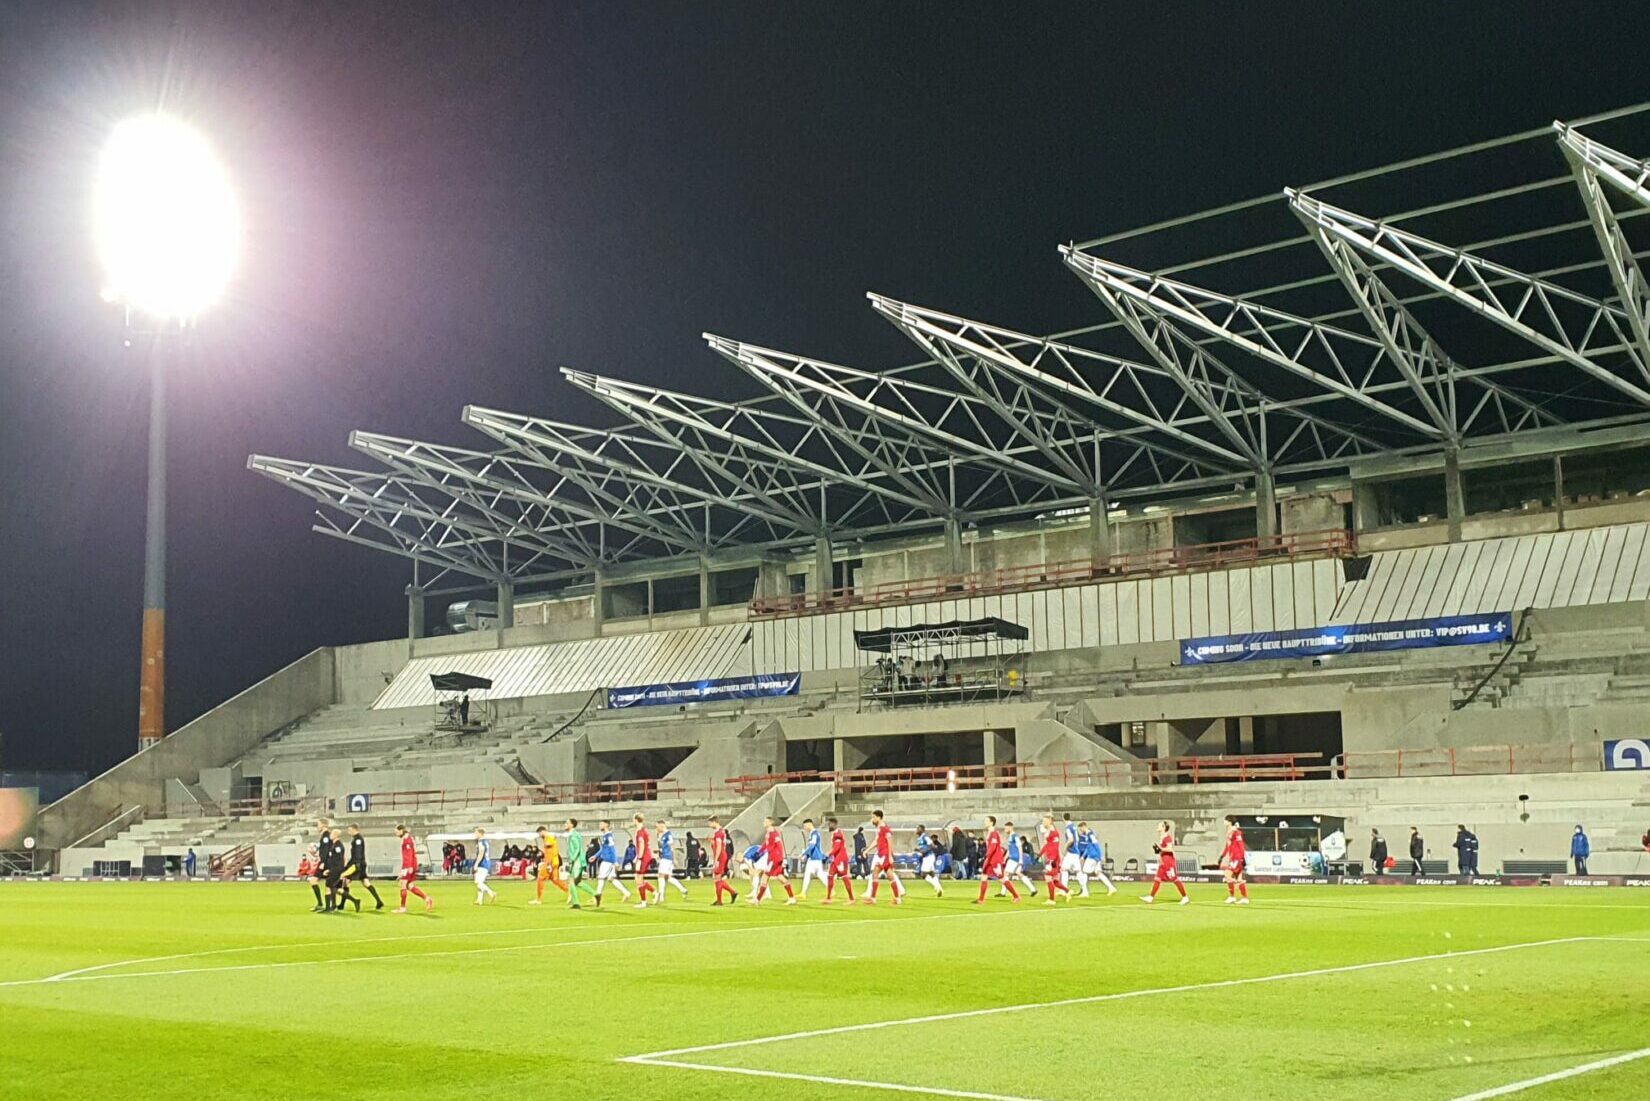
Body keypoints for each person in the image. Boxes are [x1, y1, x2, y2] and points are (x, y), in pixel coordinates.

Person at [973, 815, 1020, 904]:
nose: (984, 822)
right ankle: (981, 899)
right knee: (984, 877)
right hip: (990, 859)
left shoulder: (994, 833)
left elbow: (993, 847)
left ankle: (1016, 896)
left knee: (1002, 878)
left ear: (991, 822)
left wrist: (987, 855)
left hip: (994, 860)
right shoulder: (990, 832)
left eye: (986, 821)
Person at [1141, 820, 1189, 905]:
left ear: (1163, 827)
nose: (1158, 826)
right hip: (1163, 861)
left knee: (1175, 879)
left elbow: (1170, 849)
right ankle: (1151, 897)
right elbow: (1163, 849)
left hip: (1169, 862)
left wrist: (1161, 849)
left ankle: (1185, 897)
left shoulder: (1167, 837)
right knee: (1157, 879)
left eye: (1160, 825)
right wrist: (1158, 851)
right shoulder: (1162, 837)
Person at [753, 816, 797, 905]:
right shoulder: (768, 833)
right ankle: (792, 897)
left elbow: (779, 846)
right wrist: (759, 851)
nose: (764, 823)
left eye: (765, 821)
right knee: (780, 877)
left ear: (770, 822)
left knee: (765, 876)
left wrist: (782, 858)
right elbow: (766, 844)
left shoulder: (774, 833)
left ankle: (757, 900)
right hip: (772, 858)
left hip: (775, 859)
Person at [864, 809, 905, 905]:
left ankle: (876, 898)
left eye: (874, 817)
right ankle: (895, 898)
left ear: (879, 817)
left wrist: (890, 855)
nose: (872, 819)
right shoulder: (879, 828)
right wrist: (867, 850)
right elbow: (877, 841)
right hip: (880, 854)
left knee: (886, 875)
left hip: (884, 855)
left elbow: (889, 841)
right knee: (880, 874)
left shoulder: (885, 828)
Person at [344, 824, 387, 910]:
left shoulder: (358, 839)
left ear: (354, 829)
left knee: (346, 881)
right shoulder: (356, 839)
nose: (348, 832)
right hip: (359, 863)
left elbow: (358, 853)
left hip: (357, 864)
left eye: (349, 830)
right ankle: (379, 901)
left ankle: (343, 904)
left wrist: (355, 864)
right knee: (365, 882)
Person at [393, 824, 434, 913]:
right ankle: (427, 899)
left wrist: (408, 867)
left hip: (409, 866)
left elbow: (409, 854)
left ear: (401, 831)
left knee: (403, 884)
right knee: (410, 886)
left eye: (396, 832)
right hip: (410, 865)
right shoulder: (407, 839)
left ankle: (402, 908)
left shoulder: (407, 840)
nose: (396, 834)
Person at [1077, 822, 1118, 897]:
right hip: (1093, 856)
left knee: (1084, 872)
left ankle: (1085, 892)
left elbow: (1096, 844)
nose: (1080, 831)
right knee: (1098, 873)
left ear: (1084, 827)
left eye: (1081, 829)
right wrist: (1083, 856)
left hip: (1093, 856)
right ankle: (1111, 888)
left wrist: (1100, 855)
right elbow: (1088, 847)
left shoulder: (1090, 834)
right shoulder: (1087, 835)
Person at [654, 819, 690, 903]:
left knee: (661, 876)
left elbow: (671, 845)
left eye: (657, 826)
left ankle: (661, 895)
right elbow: (662, 847)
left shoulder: (668, 834)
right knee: (668, 877)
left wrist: (674, 858)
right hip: (666, 857)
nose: (657, 828)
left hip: (667, 858)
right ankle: (683, 889)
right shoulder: (663, 835)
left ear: (661, 825)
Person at [530, 825, 566, 905]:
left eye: (539, 834)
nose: (539, 836)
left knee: (540, 878)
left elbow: (550, 852)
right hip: (555, 861)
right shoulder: (551, 837)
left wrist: (549, 864)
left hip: (550, 861)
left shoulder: (548, 838)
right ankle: (570, 893)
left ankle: (538, 899)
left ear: (542, 831)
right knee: (555, 879)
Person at [823, 816, 856, 904]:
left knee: (844, 877)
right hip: (836, 859)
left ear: (834, 824)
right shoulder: (835, 833)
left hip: (841, 858)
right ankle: (828, 898)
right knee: (830, 876)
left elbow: (837, 848)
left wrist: (828, 854)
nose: (828, 826)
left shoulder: (838, 834)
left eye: (829, 824)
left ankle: (851, 899)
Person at [326, 828, 359, 913]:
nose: (330, 835)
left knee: (332, 886)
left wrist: (334, 870)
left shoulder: (338, 846)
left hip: (336, 869)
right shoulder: (334, 845)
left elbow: (339, 858)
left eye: (332, 833)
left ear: (336, 835)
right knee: (336, 889)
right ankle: (355, 901)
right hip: (335, 869)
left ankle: (333, 906)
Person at [1039, 815, 1070, 905]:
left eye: (1044, 821)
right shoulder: (1048, 832)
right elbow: (1046, 846)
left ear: (1049, 821)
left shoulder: (1054, 833)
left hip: (1053, 859)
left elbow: (1055, 848)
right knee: (1055, 880)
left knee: (1048, 877)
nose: (1043, 822)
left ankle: (1052, 900)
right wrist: (1040, 855)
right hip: (1051, 858)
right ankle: (1067, 891)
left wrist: (1051, 861)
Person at [708, 816, 738, 905]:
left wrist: (716, 859)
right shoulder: (722, 831)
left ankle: (720, 901)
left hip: (721, 857)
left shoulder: (718, 833)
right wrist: (713, 842)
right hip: (723, 855)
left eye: (710, 823)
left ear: (714, 822)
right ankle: (732, 893)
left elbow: (719, 847)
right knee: (718, 878)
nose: (709, 825)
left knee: (717, 878)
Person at [1002, 822, 1037, 899]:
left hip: (1015, 858)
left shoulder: (1015, 836)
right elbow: (1009, 849)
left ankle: (1003, 892)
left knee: (1006, 873)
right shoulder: (1010, 836)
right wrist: (1005, 858)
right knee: (1018, 873)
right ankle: (1033, 889)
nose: (1005, 829)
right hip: (1013, 858)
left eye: (1006, 828)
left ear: (1010, 827)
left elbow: (1020, 847)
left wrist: (1021, 859)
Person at [1221, 817, 1249, 905]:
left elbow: (1241, 845)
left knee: (1227, 874)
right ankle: (1245, 898)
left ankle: (1232, 896)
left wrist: (1242, 857)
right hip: (1233, 857)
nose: (1224, 822)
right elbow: (1228, 845)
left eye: (1225, 820)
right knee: (1239, 878)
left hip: (1237, 858)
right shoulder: (1229, 832)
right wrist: (1223, 855)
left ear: (1229, 822)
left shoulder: (1236, 832)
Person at [631, 814, 657, 908]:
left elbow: (641, 845)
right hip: (645, 856)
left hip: (644, 857)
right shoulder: (643, 830)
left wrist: (640, 859)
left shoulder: (640, 832)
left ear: (636, 820)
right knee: (638, 878)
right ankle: (654, 892)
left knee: (639, 879)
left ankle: (644, 902)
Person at [308, 817, 333, 911]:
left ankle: (325, 905)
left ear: (323, 825)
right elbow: (324, 851)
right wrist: (315, 854)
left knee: (329, 885)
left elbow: (326, 851)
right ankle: (322, 904)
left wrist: (322, 862)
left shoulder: (326, 836)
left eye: (318, 825)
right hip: (325, 862)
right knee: (314, 881)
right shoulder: (325, 836)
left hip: (326, 863)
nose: (317, 827)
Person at [798, 818, 827, 898]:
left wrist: (803, 854)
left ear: (809, 824)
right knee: (820, 874)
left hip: (815, 858)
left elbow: (812, 846)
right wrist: (807, 856)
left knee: (807, 874)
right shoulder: (813, 833)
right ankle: (831, 890)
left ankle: (803, 893)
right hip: (815, 858)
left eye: (805, 826)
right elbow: (811, 847)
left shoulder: (814, 833)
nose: (804, 828)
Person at [470, 827, 497, 905]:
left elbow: (481, 853)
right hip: (486, 863)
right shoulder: (486, 841)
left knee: (478, 882)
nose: (475, 834)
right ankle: (479, 900)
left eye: (476, 833)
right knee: (480, 882)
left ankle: (491, 893)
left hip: (482, 863)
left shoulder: (481, 842)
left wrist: (476, 863)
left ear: (480, 833)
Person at [916, 824, 944, 897]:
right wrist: (919, 850)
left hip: (929, 857)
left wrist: (924, 851)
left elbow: (932, 846)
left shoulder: (925, 837)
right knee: (932, 873)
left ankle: (937, 887)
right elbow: (924, 848)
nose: (917, 830)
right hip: (927, 857)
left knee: (923, 874)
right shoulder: (919, 838)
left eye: (918, 829)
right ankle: (939, 888)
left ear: (922, 830)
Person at [1061, 814, 1084, 895]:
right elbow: (1077, 839)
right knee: (1076, 871)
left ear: (1063, 819)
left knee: (1064, 869)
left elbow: (1071, 840)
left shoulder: (1068, 828)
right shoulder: (1074, 827)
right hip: (1075, 851)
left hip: (1071, 852)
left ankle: (1064, 890)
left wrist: (1065, 849)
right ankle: (1084, 890)